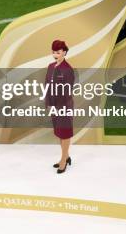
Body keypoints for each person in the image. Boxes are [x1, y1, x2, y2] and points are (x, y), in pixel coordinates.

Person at [45, 39, 75, 174]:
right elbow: (46, 86)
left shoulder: (68, 70)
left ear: (64, 52)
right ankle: (66, 156)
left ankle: (63, 160)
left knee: (65, 133)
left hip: (63, 106)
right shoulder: (51, 67)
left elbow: (68, 91)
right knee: (59, 133)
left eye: (58, 52)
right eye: (53, 52)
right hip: (53, 106)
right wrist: (49, 104)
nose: (55, 54)